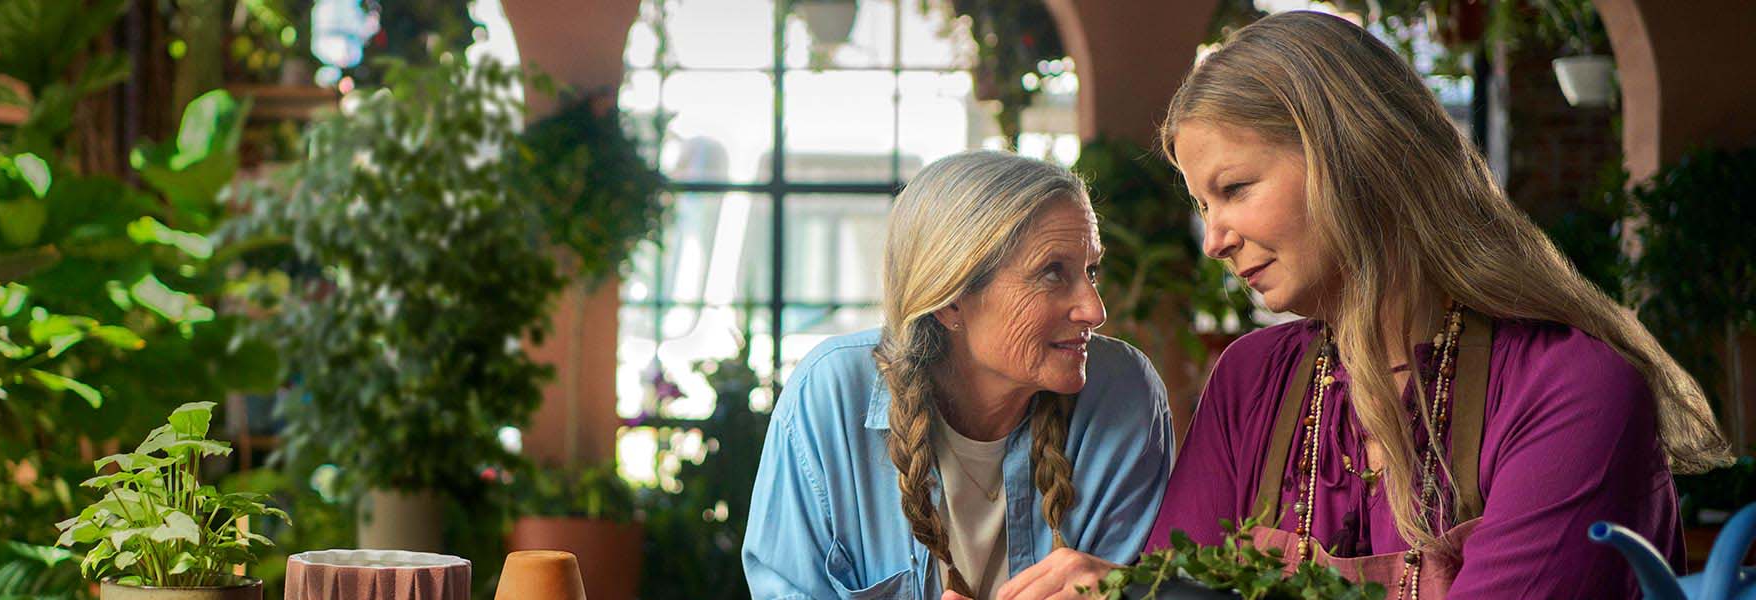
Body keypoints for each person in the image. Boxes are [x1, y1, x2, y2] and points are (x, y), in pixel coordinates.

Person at [1141, 11, 1732, 598]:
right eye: (1202, 207)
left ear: (1350, 156)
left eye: (1235, 189)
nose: (1215, 240)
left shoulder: (1569, 387)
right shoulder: (1249, 381)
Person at [741, 151, 1173, 599]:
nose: (1094, 310)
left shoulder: (1124, 394)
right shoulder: (831, 396)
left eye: (1091, 271)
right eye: (1052, 273)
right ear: (950, 300)